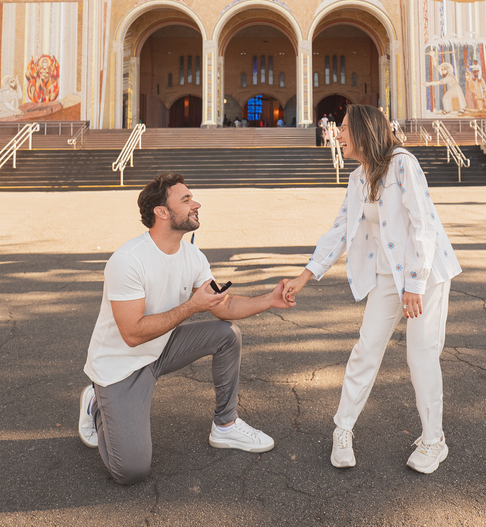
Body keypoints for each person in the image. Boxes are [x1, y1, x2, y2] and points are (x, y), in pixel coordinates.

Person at [79, 173, 294, 484]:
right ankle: (96, 404)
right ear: (162, 212)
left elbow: (224, 307)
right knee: (131, 471)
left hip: (161, 348)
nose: (197, 204)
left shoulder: (193, 255)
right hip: (121, 365)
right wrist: (192, 306)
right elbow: (132, 334)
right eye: (186, 200)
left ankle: (226, 425)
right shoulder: (128, 260)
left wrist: (270, 300)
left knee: (226, 334)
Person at [283, 105, 462, 474]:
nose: (337, 133)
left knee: (421, 356)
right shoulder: (357, 178)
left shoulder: (402, 163)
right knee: (366, 349)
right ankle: (343, 429)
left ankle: (434, 440)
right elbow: (340, 230)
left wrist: (415, 283)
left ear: (364, 131)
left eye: (344, 128)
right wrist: (304, 276)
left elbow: (423, 225)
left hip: (424, 274)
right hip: (386, 275)